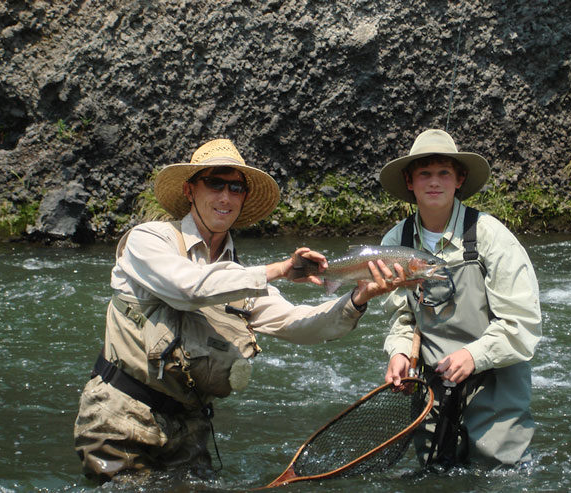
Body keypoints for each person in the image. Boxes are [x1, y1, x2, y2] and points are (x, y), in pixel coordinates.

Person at [73, 138, 406, 483]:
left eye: (236, 187)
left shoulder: (243, 278)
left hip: (190, 429)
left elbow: (301, 325)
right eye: (215, 183)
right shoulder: (148, 240)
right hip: (120, 417)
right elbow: (188, 288)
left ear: (244, 197)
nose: (225, 196)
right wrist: (277, 270)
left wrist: (358, 300)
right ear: (190, 190)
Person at [378, 129, 542, 469]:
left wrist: (473, 354)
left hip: (496, 385)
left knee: (497, 475)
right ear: (410, 181)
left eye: (444, 173)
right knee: (435, 476)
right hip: (432, 389)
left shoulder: (490, 235)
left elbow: (522, 322)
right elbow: (403, 318)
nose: (434, 182)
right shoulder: (397, 240)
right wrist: (398, 353)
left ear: (459, 180)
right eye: (424, 174)